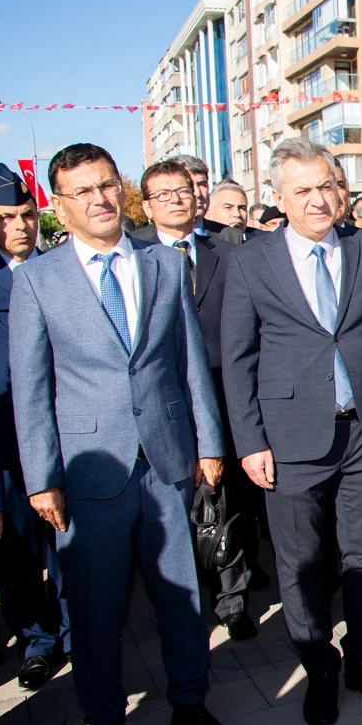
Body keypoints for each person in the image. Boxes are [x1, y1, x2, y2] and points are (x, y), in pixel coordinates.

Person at [12, 143, 226, 725]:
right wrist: (43, 479)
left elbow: (188, 360)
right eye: (82, 191)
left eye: (107, 184)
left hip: (166, 459)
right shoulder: (36, 280)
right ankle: (106, 716)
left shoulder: (160, 263)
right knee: (95, 608)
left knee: (182, 597)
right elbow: (32, 390)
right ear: (58, 205)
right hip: (88, 472)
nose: (99, 198)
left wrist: (209, 443)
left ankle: (189, 698)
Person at [221, 138, 362, 725]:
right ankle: (318, 665)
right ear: (278, 198)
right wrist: (250, 441)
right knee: (301, 561)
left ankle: (361, 658)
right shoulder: (251, 261)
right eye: (301, 190)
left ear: (340, 189)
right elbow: (238, 359)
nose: (317, 200)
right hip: (289, 438)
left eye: (326, 186)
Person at [138, 160, 262, 641]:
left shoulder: (227, 253)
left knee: (229, 502)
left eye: (184, 190)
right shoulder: (135, 255)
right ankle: (182, 597)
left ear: (198, 196)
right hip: (163, 401)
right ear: (147, 205)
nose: (176, 199)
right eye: (163, 193)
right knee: (175, 506)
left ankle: (234, 601)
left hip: (225, 394)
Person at [0, 164, 70, 690]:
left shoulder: (58, 270)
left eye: (26, 215)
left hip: (65, 435)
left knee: (69, 543)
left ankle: (75, 630)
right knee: (19, 553)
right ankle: (37, 641)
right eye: (6, 218)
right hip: (6, 441)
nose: (19, 227)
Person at [134, 156, 243, 246]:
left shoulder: (231, 237)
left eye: (202, 184)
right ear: (147, 207)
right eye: (164, 194)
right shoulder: (137, 242)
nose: (197, 193)